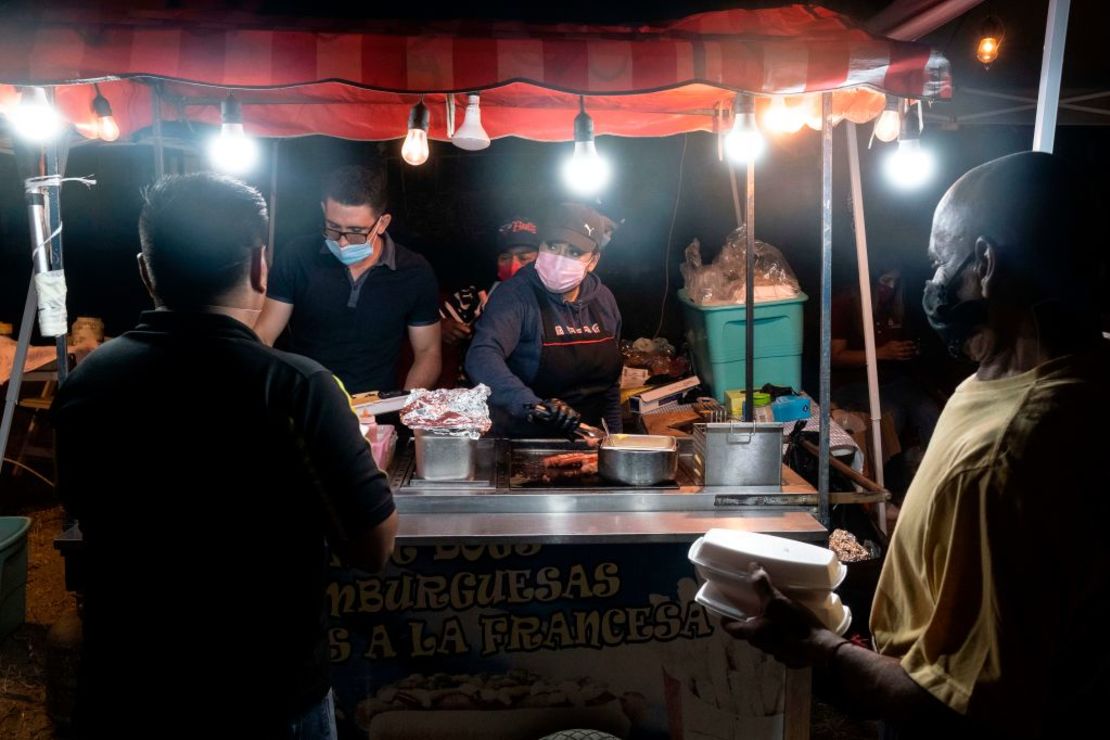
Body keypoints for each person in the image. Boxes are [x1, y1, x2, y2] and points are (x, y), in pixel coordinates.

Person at [723, 152, 1109, 738]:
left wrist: (813, 647)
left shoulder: (1010, 454)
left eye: (939, 262)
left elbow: (950, 705)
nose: (933, 282)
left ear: (986, 263)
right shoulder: (1012, 382)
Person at [52, 173, 399, 738]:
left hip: (127, 686)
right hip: (267, 692)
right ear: (262, 267)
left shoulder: (90, 380)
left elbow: (81, 508)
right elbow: (373, 547)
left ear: (146, 270)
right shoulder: (299, 387)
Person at [255, 164, 441, 394]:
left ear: (381, 224)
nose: (342, 242)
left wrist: (404, 403)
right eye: (333, 228)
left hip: (377, 407)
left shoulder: (414, 272)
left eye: (355, 232)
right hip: (305, 399)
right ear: (324, 210)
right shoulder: (297, 256)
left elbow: (428, 353)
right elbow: (264, 335)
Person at [465, 203, 621, 437]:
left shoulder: (603, 300)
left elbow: (610, 386)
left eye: (574, 252)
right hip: (526, 438)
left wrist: (615, 440)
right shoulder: (515, 295)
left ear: (593, 260)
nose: (560, 259)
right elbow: (481, 355)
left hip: (589, 440)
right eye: (553, 246)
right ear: (541, 246)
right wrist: (533, 406)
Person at [438, 217, 541, 386]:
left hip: (538, 398)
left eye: (524, 258)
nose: (513, 266)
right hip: (478, 396)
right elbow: (420, 321)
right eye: (505, 257)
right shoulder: (475, 297)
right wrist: (440, 327)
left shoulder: (553, 299)